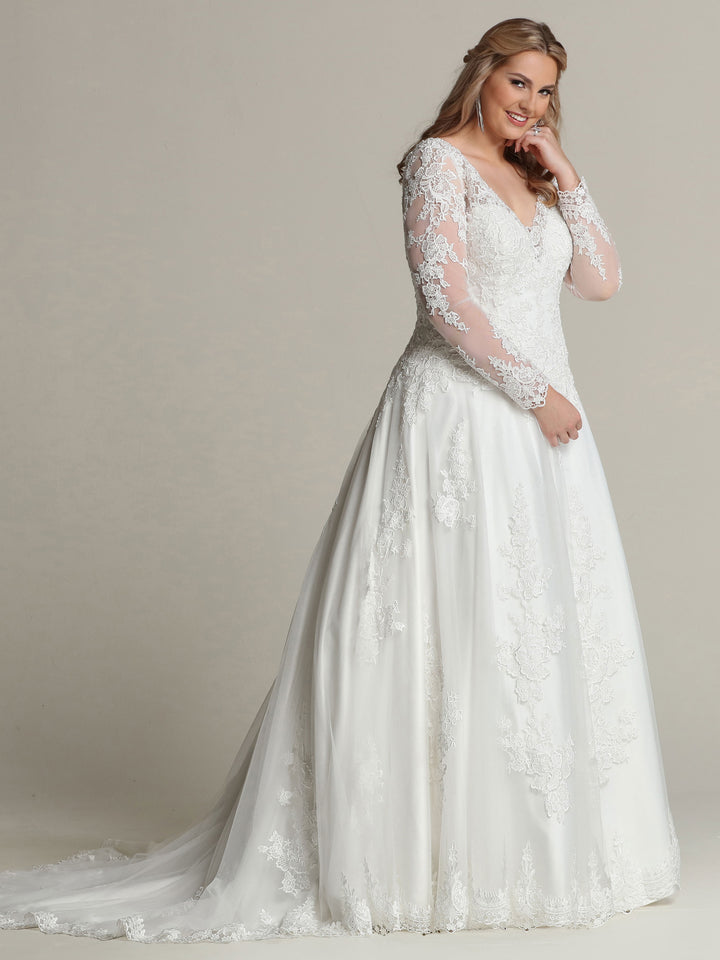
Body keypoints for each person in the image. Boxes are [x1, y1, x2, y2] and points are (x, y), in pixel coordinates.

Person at [0, 17, 680, 942]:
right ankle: (420, 855)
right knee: (448, 621)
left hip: (545, 433)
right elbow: (446, 305)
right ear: (481, 75)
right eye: (518, 81)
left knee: (533, 624)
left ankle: (542, 845)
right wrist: (535, 393)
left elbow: (601, 282)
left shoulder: (538, 175)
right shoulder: (436, 164)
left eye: (547, 90)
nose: (531, 102)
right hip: (463, 416)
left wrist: (567, 172)